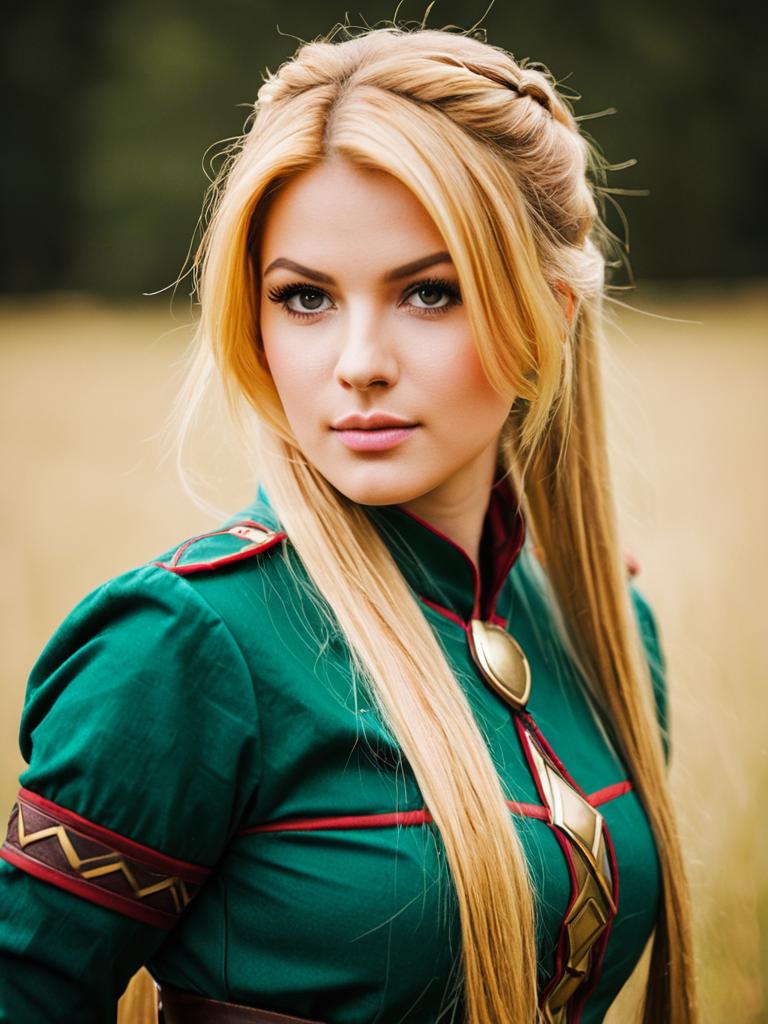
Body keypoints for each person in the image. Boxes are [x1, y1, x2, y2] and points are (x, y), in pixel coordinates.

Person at [0, 20, 699, 1024]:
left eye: (428, 291)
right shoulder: (184, 646)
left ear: (549, 311)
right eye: (306, 297)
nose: (358, 361)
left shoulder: (609, 633)